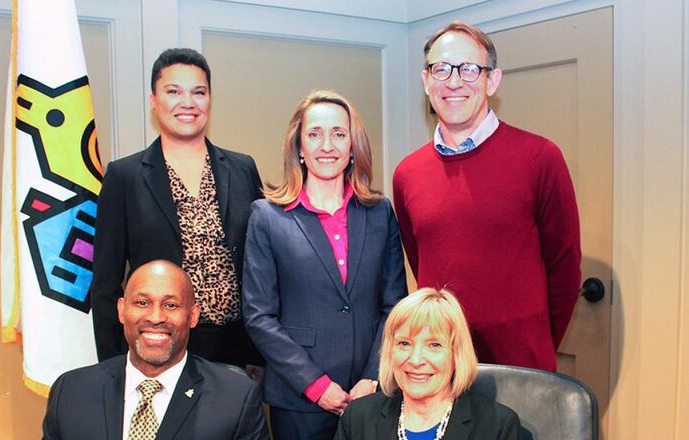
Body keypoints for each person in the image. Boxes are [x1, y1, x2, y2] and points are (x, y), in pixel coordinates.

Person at [392, 21, 581, 371]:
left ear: (492, 80)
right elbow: (422, 265)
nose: (453, 82)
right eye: (441, 69)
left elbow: (565, 268)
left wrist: (533, 340)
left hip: (521, 366)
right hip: (440, 367)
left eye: (468, 69)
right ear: (426, 81)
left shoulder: (540, 158)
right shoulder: (407, 174)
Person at [242, 89, 408, 440]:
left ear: (352, 147)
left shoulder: (380, 212)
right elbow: (259, 315)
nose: (327, 145)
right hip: (300, 399)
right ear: (299, 147)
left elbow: (394, 306)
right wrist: (316, 385)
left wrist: (373, 377)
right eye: (315, 134)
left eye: (338, 134)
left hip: (371, 394)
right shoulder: (268, 216)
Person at [91, 48, 264, 371]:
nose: (188, 103)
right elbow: (105, 284)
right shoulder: (124, 177)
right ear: (154, 100)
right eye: (174, 91)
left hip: (240, 349)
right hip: (161, 346)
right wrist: (114, 368)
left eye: (198, 92)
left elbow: (264, 264)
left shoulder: (242, 169)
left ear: (209, 100)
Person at [43, 260, 269, 440]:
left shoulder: (236, 400)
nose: (156, 317)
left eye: (171, 305)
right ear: (122, 311)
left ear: (193, 316)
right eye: (142, 303)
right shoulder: (71, 392)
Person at [335, 288, 522, 439]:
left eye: (434, 345)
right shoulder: (357, 418)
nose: (416, 360)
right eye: (404, 343)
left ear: (456, 354)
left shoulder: (498, 427)